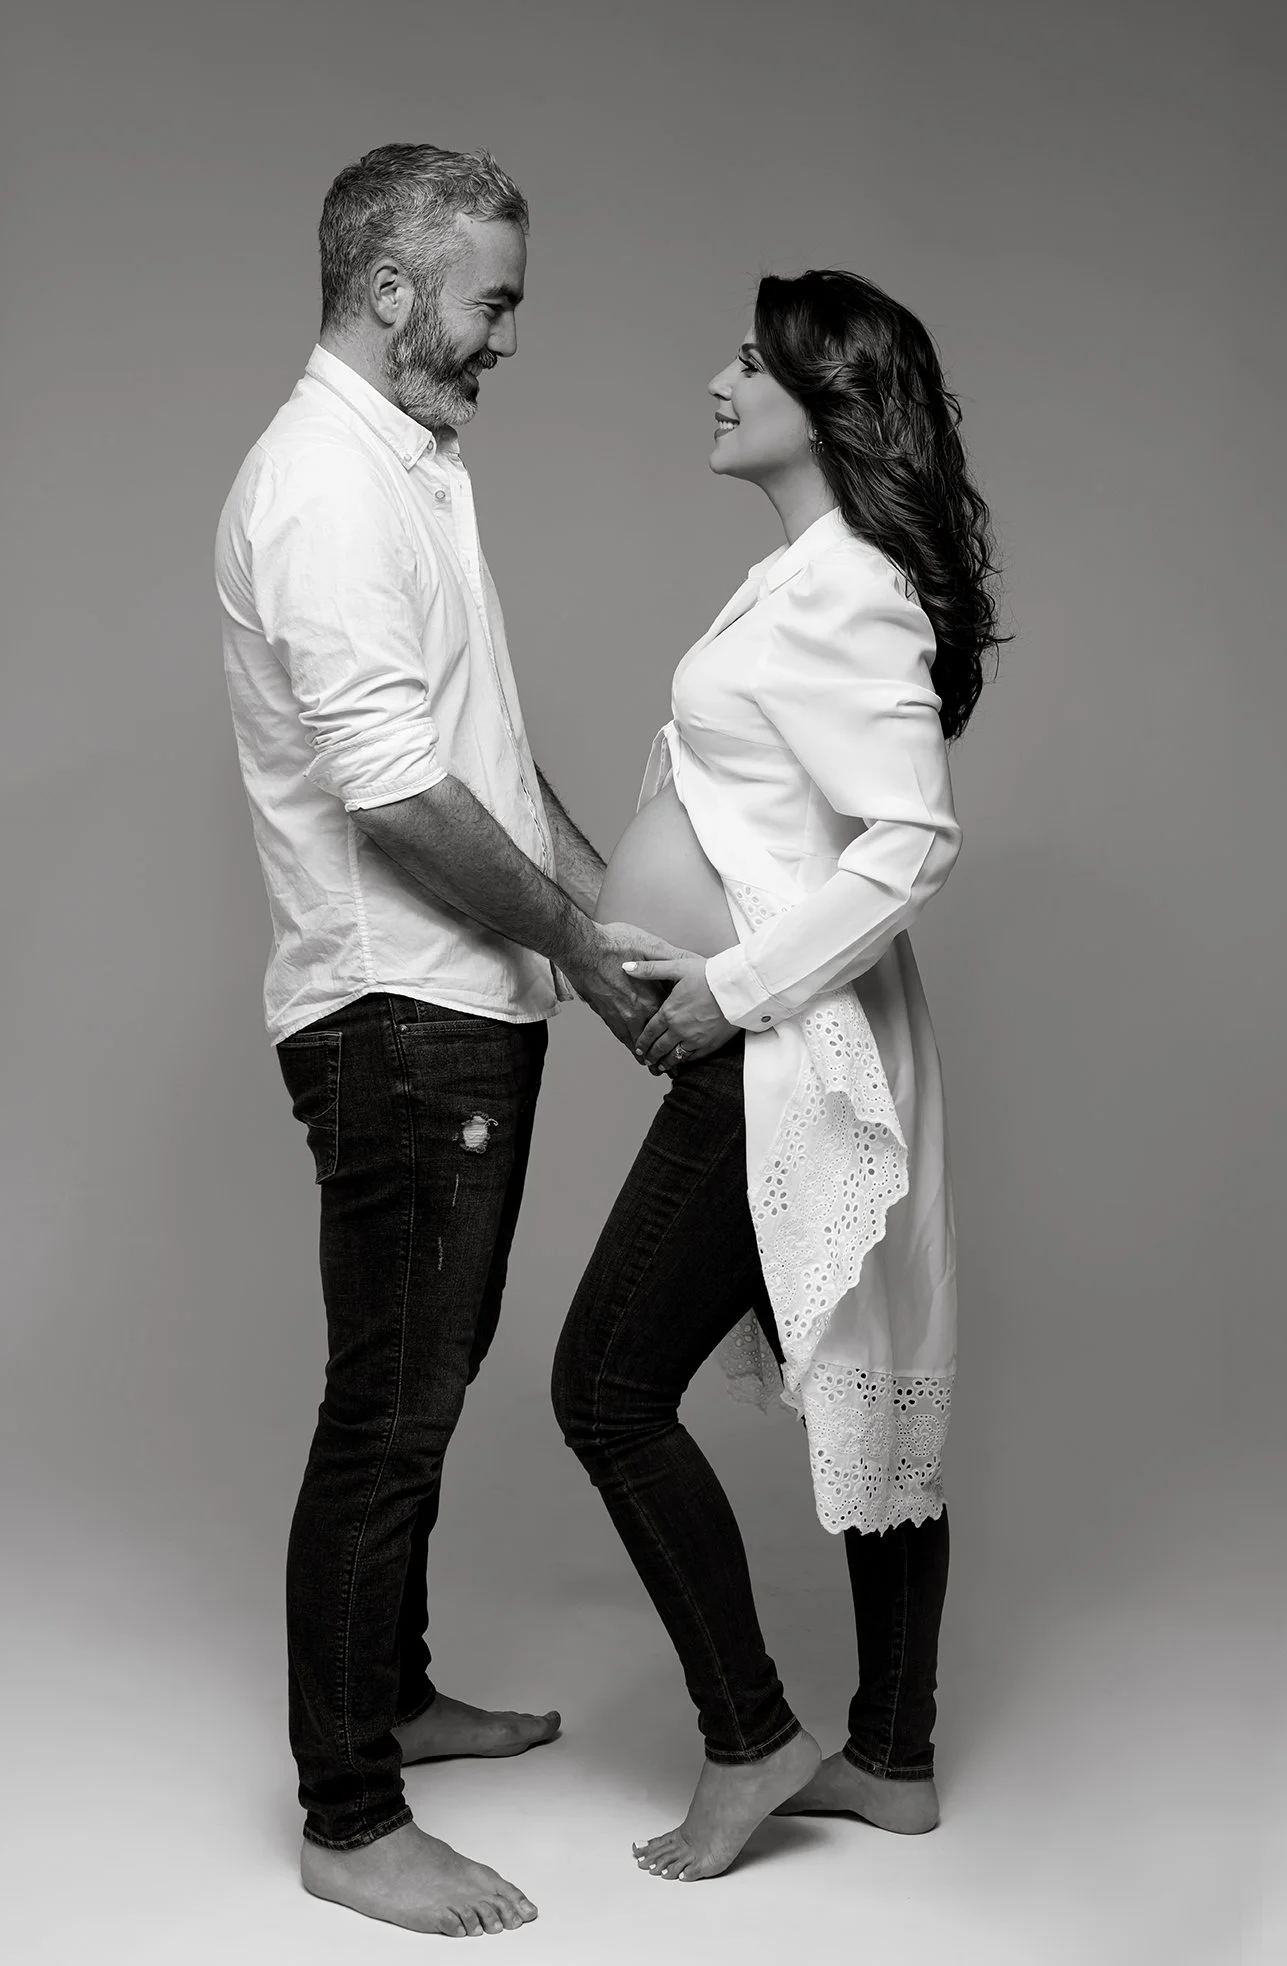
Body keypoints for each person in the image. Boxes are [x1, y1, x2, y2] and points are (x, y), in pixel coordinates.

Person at [214, 143, 668, 1939]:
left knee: (427, 1378)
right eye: (492, 300)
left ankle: (390, 1693)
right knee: (390, 1409)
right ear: (391, 291)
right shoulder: (325, 484)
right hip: (398, 1016)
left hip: (465, 1001)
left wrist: (606, 930)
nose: (502, 338)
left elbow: (478, 749)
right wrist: (569, 936)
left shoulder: (413, 467)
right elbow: (399, 797)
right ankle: (346, 1812)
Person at [553, 269, 1005, 1882]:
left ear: (832, 401)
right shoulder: (796, 576)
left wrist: (730, 987)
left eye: (753, 359)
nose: (718, 375)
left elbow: (910, 842)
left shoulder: (850, 589)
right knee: (871, 1379)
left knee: (602, 1388)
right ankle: (889, 1755)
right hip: (776, 1040)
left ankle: (751, 1737)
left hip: (779, 1049)